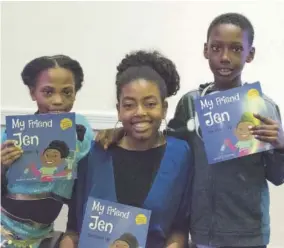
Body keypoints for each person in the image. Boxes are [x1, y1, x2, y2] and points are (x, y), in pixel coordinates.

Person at [95, 13, 284, 248]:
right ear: (206, 50)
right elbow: (165, 148)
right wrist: (120, 132)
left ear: (250, 53)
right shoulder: (190, 104)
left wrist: (281, 146)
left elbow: (278, 176)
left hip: (249, 233)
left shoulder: (263, 108)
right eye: (216, 48)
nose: (225, 57)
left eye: (236, 49)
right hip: (200, 232)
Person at [65, 50, 193, 248]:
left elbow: (180, 226)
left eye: (150, 104)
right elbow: (73, 226)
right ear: (118, 109)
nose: (140, 112)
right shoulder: (95, 153)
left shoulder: (180, 154)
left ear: (164, 108)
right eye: (129, 105)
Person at [1, 55, 94, 248]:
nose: (58, 100)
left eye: (67, 92)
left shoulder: (81, 132)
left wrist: (72, 233)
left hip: (43, 236)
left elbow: (84, 189)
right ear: (32, 93)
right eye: (48, 92)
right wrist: (1, 166)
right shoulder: (13, 134)